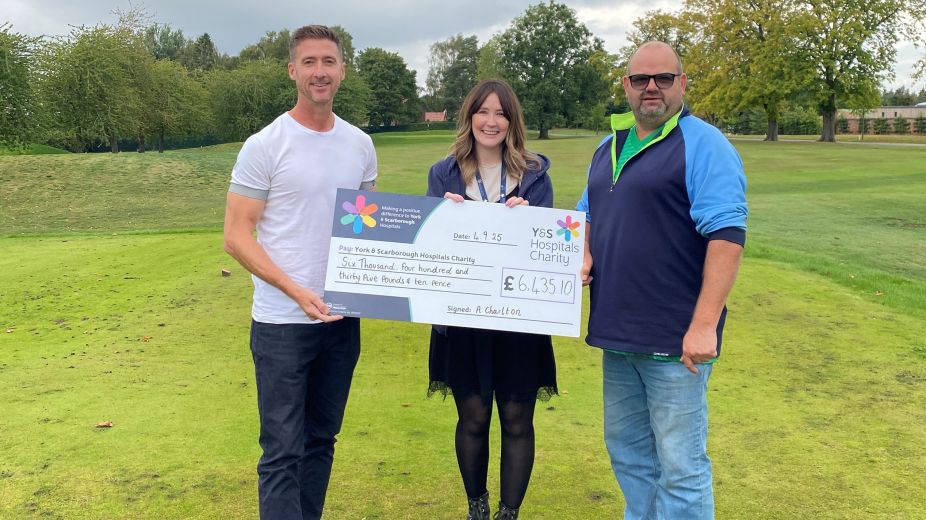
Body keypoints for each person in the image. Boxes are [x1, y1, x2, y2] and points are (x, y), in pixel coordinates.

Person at [576, 41, 748, 519]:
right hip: (618, 336)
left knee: (681, 467)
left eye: (663, 78)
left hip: (676, 343)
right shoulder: (606, 147)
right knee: (629, 456)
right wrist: (582, 247)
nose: (651, 87)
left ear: (682, 84)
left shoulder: (704, 143)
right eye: (640, 79)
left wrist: (704, 325)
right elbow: (585, 215)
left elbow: (727, 235)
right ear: (626, 87)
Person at [223, 25, 377, 520]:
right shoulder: (264, 144)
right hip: (282, 323)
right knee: (283, 450)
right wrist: (295, 290)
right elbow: (237, 236)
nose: (319, 72)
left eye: (328, 62)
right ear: (293, 71)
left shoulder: (359, 145)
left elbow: (366, 227)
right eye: (309, 62)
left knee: (320, 440)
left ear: (342, 71)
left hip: (341, 319)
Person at [426, 79, 557, 520]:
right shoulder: (443, 173)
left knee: (518, 420)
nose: (491, 121)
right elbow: (428, 250)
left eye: (501, 113)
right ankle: (477, 508)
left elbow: (546, 249)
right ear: (470, 117)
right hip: (463, 321)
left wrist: (531, 220)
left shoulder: (536, 174)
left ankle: (509, 513)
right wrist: (441, 218)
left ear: (511, 121)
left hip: (519, 322)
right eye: (483, 111)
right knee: (474, 418)